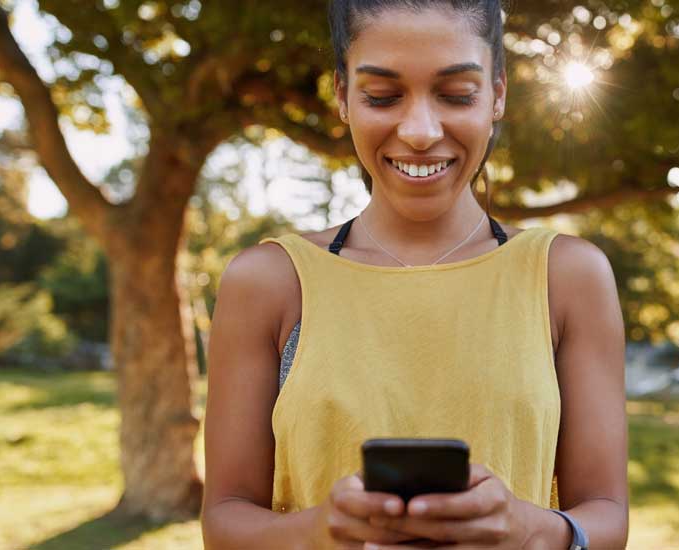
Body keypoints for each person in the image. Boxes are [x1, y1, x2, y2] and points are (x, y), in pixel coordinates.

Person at [200, 1, 628, 547]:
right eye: (382, 96)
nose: (421, 131)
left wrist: (530, 531)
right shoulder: (270, 281)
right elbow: (225, 520)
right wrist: (319, 531)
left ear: (497, 95)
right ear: (342, 96)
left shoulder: (567, 276)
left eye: (456, 95)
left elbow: (608, 517)